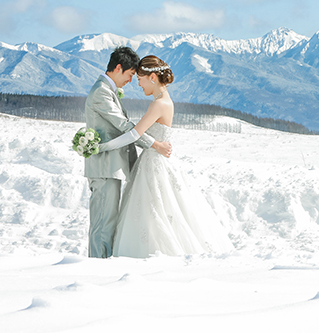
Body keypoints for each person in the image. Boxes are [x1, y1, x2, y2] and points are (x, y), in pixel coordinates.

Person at [98, 55, 233, 257]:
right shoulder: (165, 101)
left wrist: (102, 147)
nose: (139, 85)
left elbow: (135, 134)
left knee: (154, 211)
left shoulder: (158, 104)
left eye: (140, 79)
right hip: (155, 160)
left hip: (153, 164)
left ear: (152, 77)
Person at [84, 46, 173, 258]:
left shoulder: (108, 91)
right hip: (104, 166)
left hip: (111, 166)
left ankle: (102, 263)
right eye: (131, 74)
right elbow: (125, 126)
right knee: (102, 224)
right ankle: (97, 266)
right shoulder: (101, 93)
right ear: (118, 68)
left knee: (108, 222)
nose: (132, 81)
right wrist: (154, 144)